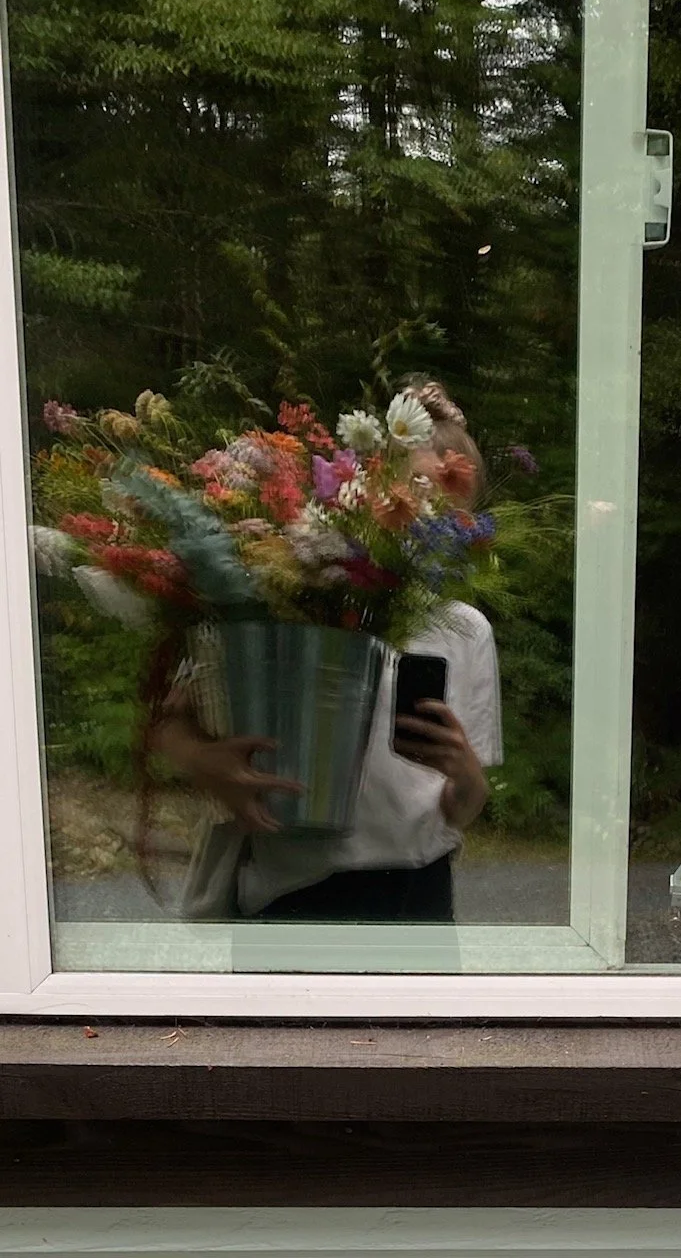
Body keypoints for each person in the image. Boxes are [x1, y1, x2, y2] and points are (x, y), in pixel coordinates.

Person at [154, 376, 502, 923]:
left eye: (452, 513)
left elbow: (460, 812)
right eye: (417, 495)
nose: (431, 521)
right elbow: (168, 719)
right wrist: (206, 764)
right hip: (293, 886)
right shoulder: (299, 592)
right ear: (371, 490)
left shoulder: (465, 629)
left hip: (419, 891)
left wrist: (467, 777)